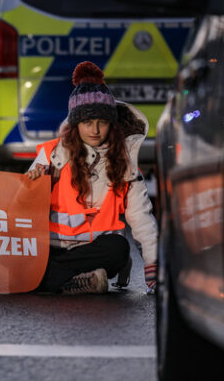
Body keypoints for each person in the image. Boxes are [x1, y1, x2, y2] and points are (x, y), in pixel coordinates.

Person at [26, 61, 157, 295]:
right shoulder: (51, 155)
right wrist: (32, 182)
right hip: (52, 248)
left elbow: (141, 218)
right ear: (75, 125)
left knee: (119, 247)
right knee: (26, 262)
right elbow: (21, 204)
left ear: (112, 124)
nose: (95, 130)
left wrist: (153, 268)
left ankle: (50, 279)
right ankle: (78, 281)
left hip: (99, 251)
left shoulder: (126, 166)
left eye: (102, 122)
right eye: (87, 122)